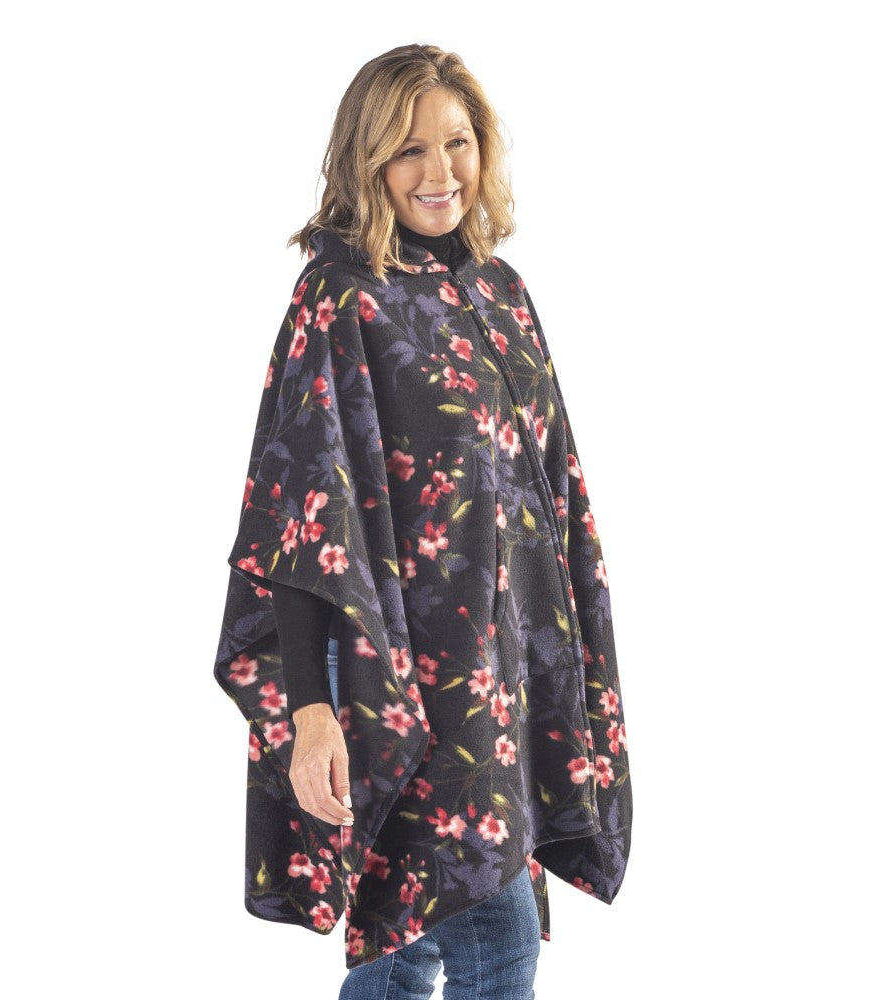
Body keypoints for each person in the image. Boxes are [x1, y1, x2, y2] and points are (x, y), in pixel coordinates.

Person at [212, 43, 633, 997]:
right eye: (408, 149)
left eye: (457, 142)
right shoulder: (340, 299)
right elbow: (301, 517)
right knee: (494, 945)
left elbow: (545, 497)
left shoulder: (498, 292)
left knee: (405, 948)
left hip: (496, 678)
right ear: (367, 160)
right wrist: (311, 713)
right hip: (391, 679)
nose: (440, 172)